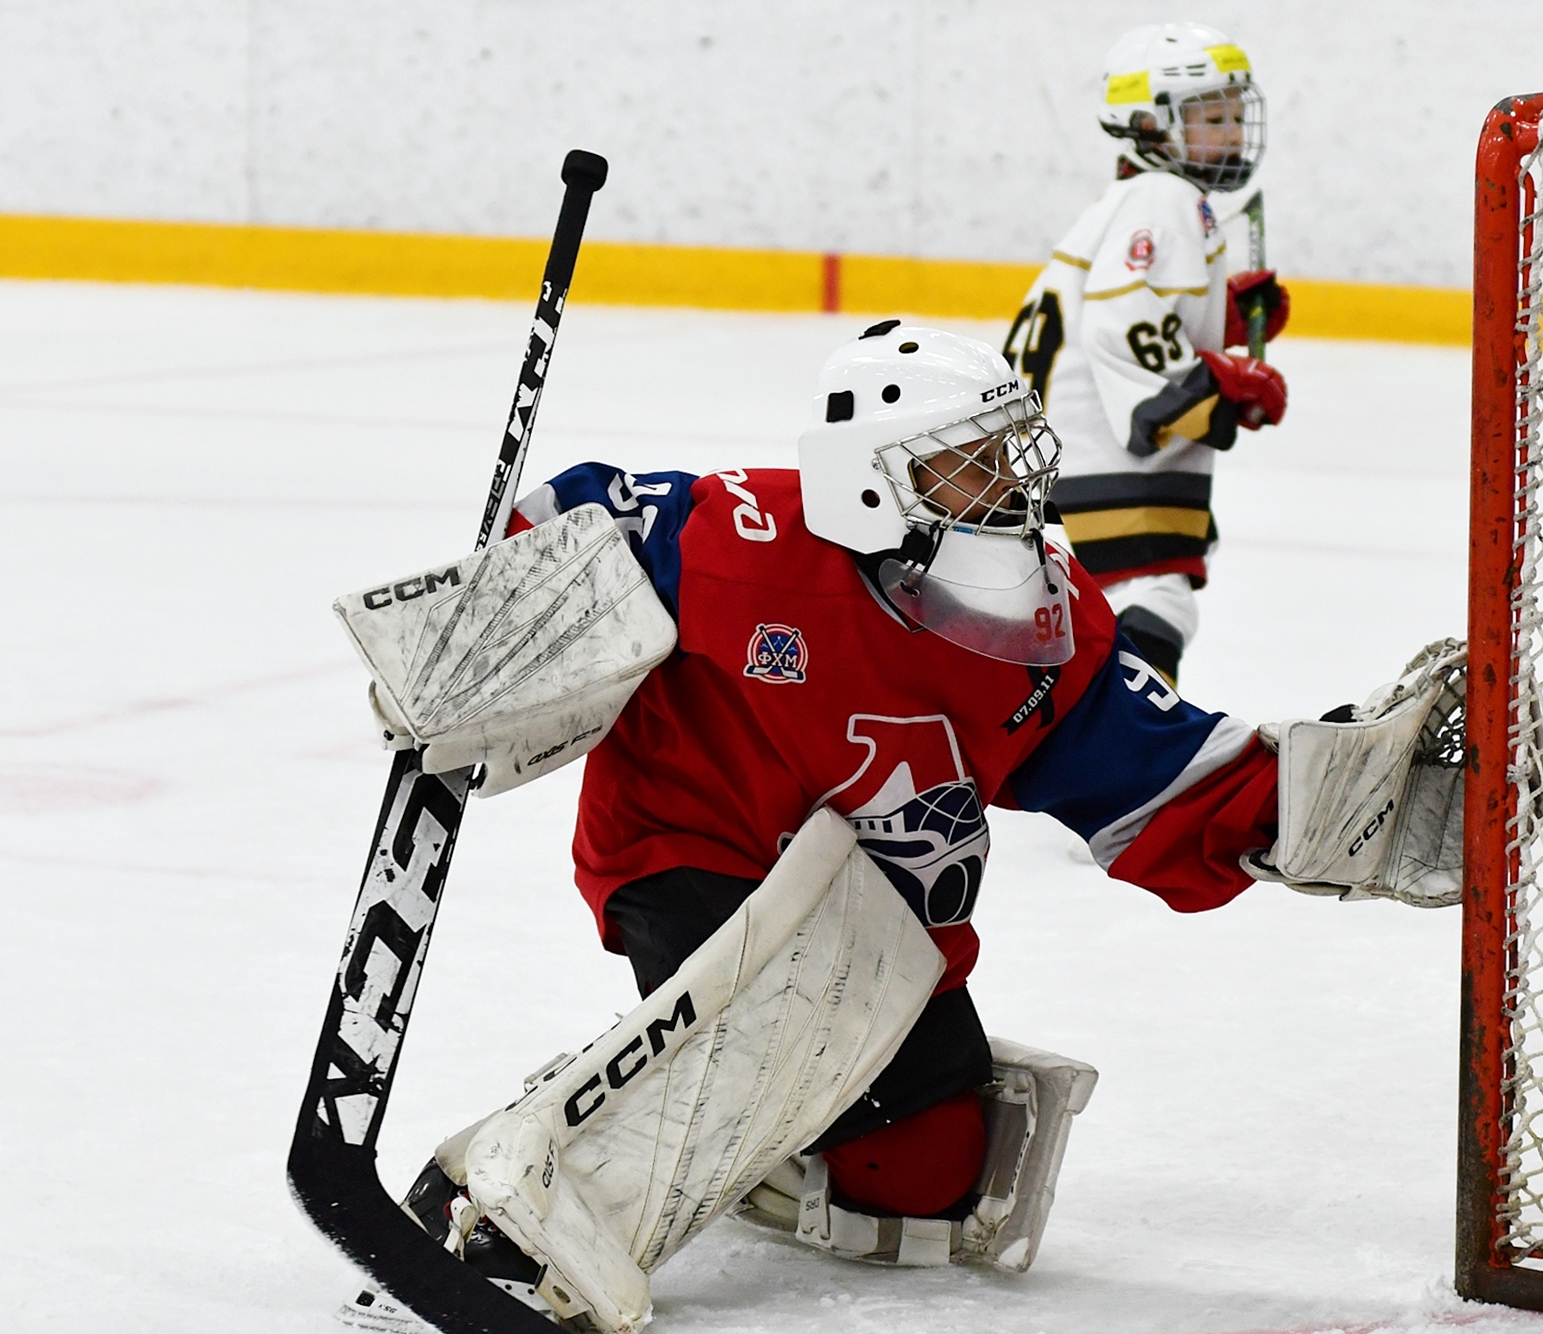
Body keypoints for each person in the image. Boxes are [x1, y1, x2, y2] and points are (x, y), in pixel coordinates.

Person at [361, 323, 1459, 1334]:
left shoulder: (1040, 623)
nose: (1009, 487)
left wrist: (1346, 805)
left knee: (930, 1172)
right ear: (870, 488)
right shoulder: (745, 541)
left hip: (871, 911)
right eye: (966, 462)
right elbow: (589, 513)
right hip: (689, 840)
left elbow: (1160, 773)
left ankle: (725, 1110)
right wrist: (483, 622)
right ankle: (507, 1194)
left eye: (1007, 453)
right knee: (762, 1019)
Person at [1003, 21, 1292, 685]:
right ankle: (1135, 743)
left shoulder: (1138, 197)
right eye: (1207, 116)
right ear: (1145, 123)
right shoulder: (1164, 199)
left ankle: (1114, 733)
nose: (1229, 132)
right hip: (1098, 453)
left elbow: (1119, 310)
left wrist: (1217, 320)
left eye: (1232, 114)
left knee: (1124, 600)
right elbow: (1119, 320)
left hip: (1056, 453)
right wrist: (1208, 389)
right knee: (1151, 595)